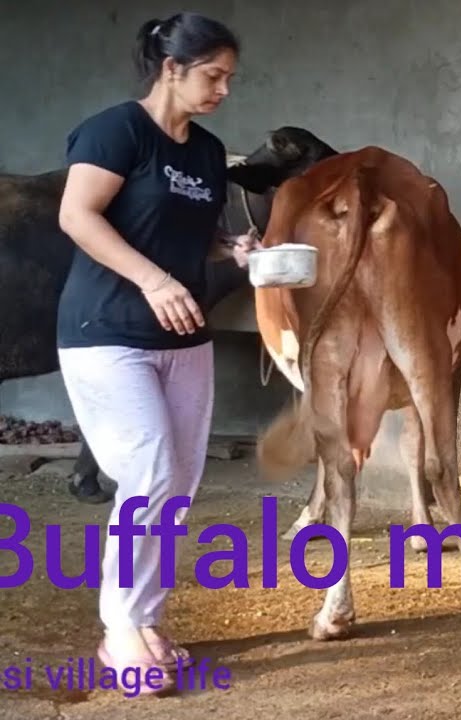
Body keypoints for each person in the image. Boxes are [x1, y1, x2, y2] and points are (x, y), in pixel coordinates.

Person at [55, 13, 253, 696]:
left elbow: (191, 236)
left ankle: (143, 617)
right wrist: (154, 280)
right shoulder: (116, 131)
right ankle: (119, 630)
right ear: (172, 68)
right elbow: (77, 215)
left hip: (183, 337)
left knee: (177, 483)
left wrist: (235, 249)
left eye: (229, 78)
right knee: (149, 472)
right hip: (107, 331)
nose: (224, 89)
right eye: (213, 75)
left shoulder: (208, 151)